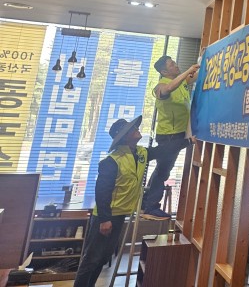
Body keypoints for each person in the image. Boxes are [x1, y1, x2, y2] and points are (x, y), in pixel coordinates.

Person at [73, 116, 188, 287]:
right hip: (106, 217)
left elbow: (163, 150)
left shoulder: (141, 153)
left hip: (120, 215)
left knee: (103, 258)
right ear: (125, 136)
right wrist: (104, 219)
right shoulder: (112, 161)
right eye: (132, 129)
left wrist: (187, 142)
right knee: (91, 259)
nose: (137, 129)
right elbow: (102, 191)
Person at [140, 56, 200, 218]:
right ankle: (150, 206)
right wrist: (188, 71)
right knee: (163, 171)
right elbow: (168, 89)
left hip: (178, 133)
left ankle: (146, 203)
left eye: (174, 62)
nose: (176, 65)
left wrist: (202, 59)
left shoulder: (181, 82)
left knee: (162, 170)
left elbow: (195, 75)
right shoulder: (160, 86)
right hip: (168, 135)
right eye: (172, 64)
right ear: (164, 71)